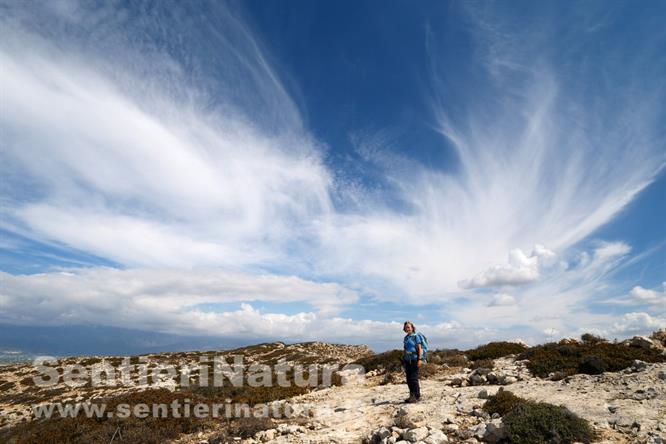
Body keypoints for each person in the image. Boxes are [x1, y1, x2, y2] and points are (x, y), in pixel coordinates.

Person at [402, 320, 423, 403]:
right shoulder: (406, 338)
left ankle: (417, 396)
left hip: (414, 359)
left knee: (414, 379)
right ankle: (412, 395)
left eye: (409, 327)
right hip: (407, 360)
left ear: (412, 328)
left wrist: (420, 359)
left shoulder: (416, 336)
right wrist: (403, 359)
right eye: (406, 327)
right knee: (408, 379)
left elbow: (419, 348)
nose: (407, 328)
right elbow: (405, 349)